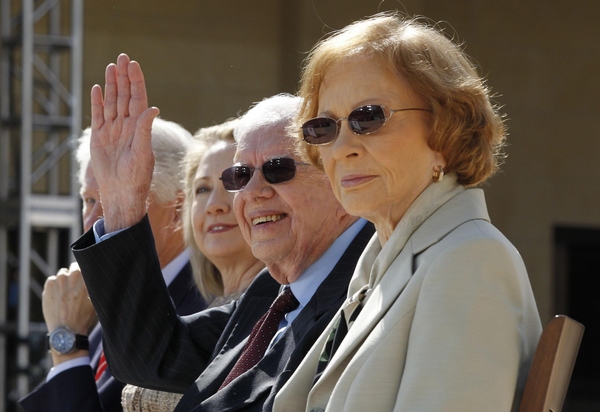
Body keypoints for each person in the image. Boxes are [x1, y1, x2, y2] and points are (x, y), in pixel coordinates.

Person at [70, 53, 374, 412]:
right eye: (240, 176)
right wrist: (122, 202)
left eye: (277, 169)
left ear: (336, 177)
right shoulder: (272, 293)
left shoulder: (372, 286)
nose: (252, 191)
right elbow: (150, 359)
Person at [272, 12, 542, 412]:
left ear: (445, 131)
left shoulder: (469, 262)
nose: (341, 147)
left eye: (368, 117)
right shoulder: (385, 263)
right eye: (323, 127)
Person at [19, 119, 208, 412]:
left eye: (112, 202)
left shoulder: (205, 310)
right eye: (88, 200)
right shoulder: (115, 299)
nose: (92, 221)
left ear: (177, 211)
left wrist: (68, 342)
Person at [121, 119, 266, 411]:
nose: (215, 204)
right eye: (202, 189)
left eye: (235, 181)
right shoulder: (202, 315)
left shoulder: (281, 312)